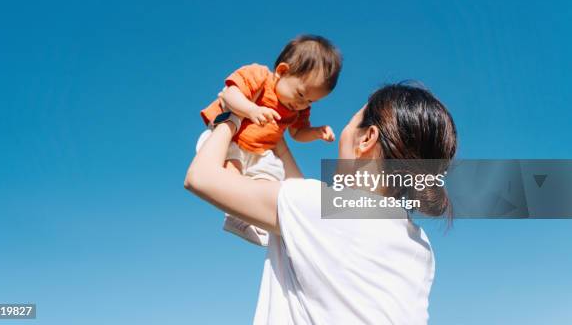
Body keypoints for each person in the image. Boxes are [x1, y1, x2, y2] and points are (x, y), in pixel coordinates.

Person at [185, 83, 457, 324]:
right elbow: (307, 210)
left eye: (350, 124)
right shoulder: (419, 246)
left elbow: (201, 177)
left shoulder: (317, 210)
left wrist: (231, 116)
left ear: (367, 138)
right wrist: (277, 139)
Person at [198, 35, 342, 245]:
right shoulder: (259, 76)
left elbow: (297, 134)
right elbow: (229, 94)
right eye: (301, 94)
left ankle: (249, 219)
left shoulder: (299, 109)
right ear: (283, 71)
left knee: (271, 180)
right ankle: (235, 215)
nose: (303, 104)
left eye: (311, 101)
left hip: (261, 152)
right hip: (231, 141)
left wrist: (316, 132)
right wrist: (251, 109)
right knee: (233, 173)